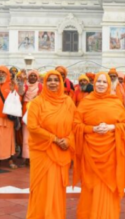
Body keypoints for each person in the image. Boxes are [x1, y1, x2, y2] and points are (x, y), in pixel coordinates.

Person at [74, 72, 125, 219]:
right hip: (90, 151)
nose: (100, 84)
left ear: (108, 84)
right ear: (94, 84)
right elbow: (75, 125)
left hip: (111, 151)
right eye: (98, 81)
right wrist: (92, 129)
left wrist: (112, 127)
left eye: (104, 82)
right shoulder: (86, 102)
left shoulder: (115, 102)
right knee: (90, 184)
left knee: (108, 185)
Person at [26, 70, 76, 219]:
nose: (53, 83)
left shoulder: (68, 102)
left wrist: (68, 140)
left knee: (57, 188)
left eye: (56, 80)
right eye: (49, 80)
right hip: (42, 151)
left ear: (61, 83)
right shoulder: (37, 102)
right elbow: (32, 127)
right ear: (45, 82)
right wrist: (54, 139)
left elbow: (76, 125)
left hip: (62, 151)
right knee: (41, 187)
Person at [17, 69, 42, 166]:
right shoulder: (25, 85)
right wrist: (21, 82)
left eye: (34, 76)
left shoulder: (41, 86)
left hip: (37, 110)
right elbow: (20, 92)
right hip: (25, 110)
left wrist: (38, 98)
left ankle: (35, 157)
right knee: (26, 136)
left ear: (37, 77)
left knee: (36, 136)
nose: (32, 77)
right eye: (31, 75)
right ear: (28, 77)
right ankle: (27, 158)